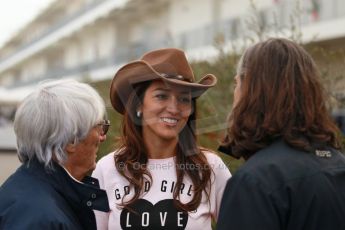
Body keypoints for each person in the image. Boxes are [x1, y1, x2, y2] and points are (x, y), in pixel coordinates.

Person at [92, 48, 231, 229]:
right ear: (139, 105)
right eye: (161, 96)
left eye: (184, 99)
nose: (173, 108)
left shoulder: (210, 168)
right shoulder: (107, 169)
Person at [217, 38, 345, 230]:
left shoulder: (255, 182)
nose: (234, 95)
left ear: (252, 91)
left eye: (237, 84)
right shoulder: (337, 163)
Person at [0, 79, 110, 230]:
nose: (102, 137)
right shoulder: (41, 217)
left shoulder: (32, 196)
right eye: (99, 127)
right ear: (72, 140)